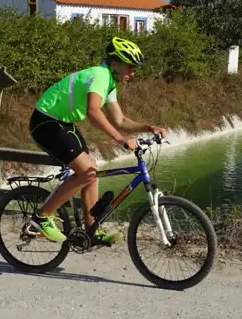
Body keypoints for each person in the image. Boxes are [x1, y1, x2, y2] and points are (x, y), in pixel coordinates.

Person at [28, 36, 168, 245]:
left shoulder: (110, 83)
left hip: (64, 123)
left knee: (92, 173)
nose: (133, 72)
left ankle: (91, 230)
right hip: (46, 122)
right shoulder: (100, 75)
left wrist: (148, 127)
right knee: (86, 172)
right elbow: (93, 112)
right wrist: (120, 139)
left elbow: (120, 120)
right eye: (130, 67)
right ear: (114, 64)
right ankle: (42, 217)